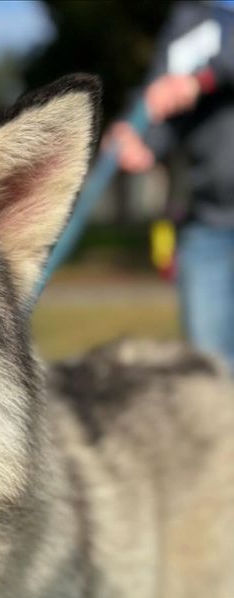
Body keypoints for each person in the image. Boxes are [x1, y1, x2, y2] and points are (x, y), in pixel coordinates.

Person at [109, 0, 234, 372]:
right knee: (211, 373)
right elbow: (161, 93)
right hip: (207, 223)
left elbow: (202, 75)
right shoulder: (189, 21)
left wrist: (203, 79)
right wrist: (138, 135)